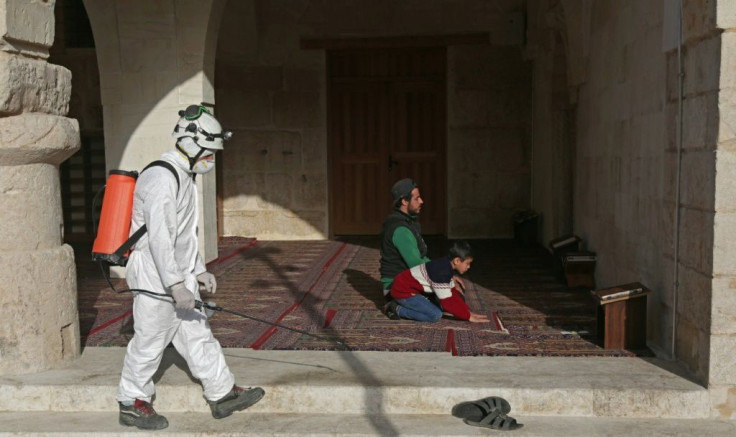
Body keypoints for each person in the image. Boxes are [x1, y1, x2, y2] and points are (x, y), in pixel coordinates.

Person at [117, 105, 264, 430]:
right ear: (191, 142)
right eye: (209, 152)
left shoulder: (186, 174)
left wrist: (197, 270)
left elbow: (184, 234)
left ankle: (223, 393)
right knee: (151, 340)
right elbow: (158, 240)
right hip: (155, 276)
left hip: (177, 275)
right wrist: (175, 286)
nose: (212, 159)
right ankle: (131, 401)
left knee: (197, 333)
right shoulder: (161, 178)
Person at [378, 178, 465, 304]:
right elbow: (417, 264)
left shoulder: (408, 222)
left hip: (407, 279)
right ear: (404, 201)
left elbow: (421, 259)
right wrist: (447, 280)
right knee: (448, 300)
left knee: (453, 297)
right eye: (417, 198)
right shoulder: (401, 230)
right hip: (396, 288)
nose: (421, 201)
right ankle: (395, 306)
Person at [384, 240, 490, 323]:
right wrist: (468, 317)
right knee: (435, 315)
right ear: (457, 261)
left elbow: (452, 292)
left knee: (443, 307)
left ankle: (403, 303)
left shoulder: (446, 266)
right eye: (467, 263)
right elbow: (448, 302)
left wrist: (467, 311)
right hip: (403, 292)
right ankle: (395, 308)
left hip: (410, 289)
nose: (469, 267)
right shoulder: (441, 273)